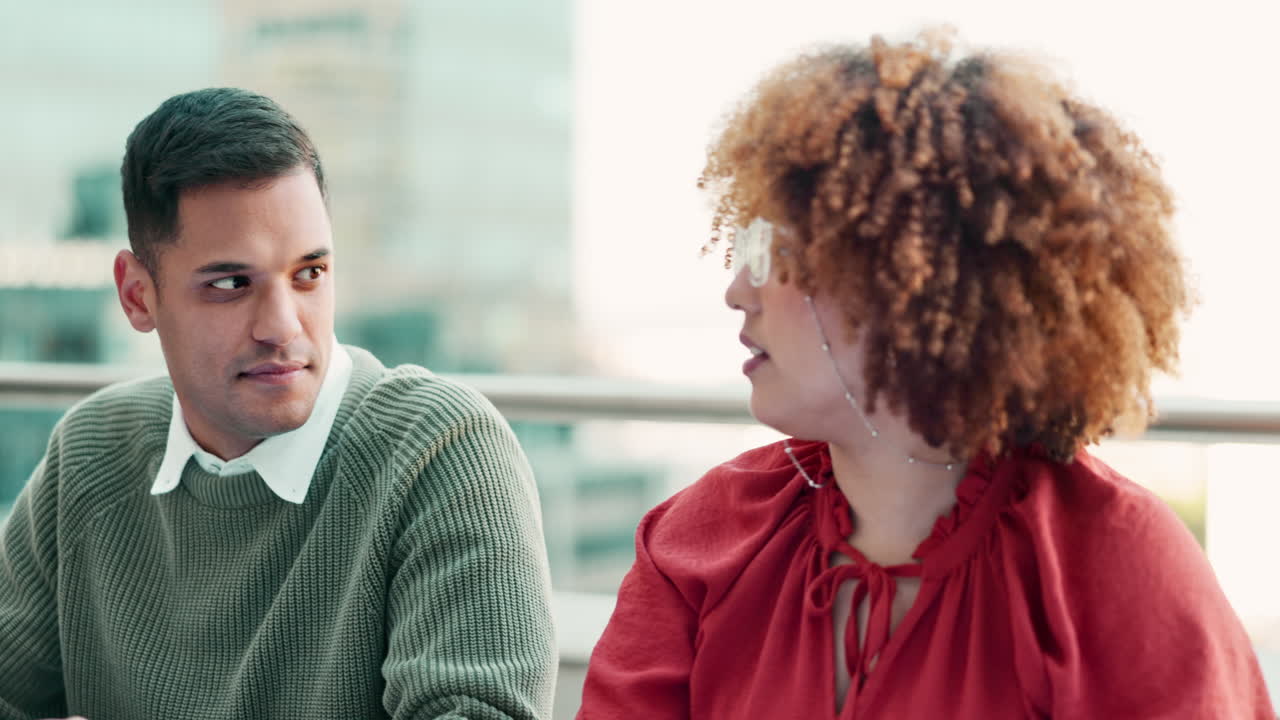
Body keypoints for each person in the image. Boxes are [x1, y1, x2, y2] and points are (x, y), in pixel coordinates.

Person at [578, 32, 1276, 718]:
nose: (737, 290)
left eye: (769, 249)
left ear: (911, 283)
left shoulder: (1117, 569)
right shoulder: (696, 541)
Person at [0, 88, 556, 720]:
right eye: (231, 285)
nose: (282, 326)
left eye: (309, 273)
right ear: (137, 296)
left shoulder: (442, 450)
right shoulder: (91, 452)